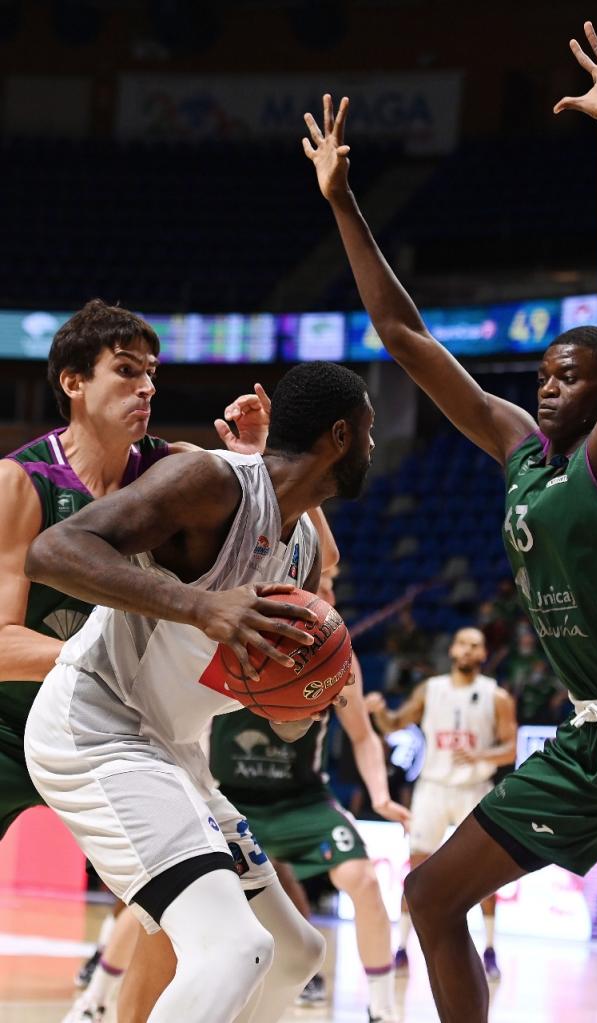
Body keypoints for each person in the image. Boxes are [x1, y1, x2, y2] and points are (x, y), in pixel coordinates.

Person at [302, 16, 597, 1022]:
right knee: (430, 896)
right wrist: (343, 204)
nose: (550, 386)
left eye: (572, 375)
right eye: (546, 373)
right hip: (585, 742)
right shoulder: (516, 445)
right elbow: (402, 334)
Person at [23, 360, 375, 1023]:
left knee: (296, 952)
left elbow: (281, 705)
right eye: (369, 430)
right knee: (231, 948)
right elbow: (55, 550)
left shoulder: (300, 551)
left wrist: (303, 704)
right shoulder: (211, 480)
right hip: (96, 726)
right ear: (339, 436)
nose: (374, 446)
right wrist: (196, 606)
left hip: (175, 751)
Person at [210, 618, 410, 1023]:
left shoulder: (337, 656)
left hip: (302, 799)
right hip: (231, 797)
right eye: (325, 579)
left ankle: (383, 1011)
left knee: (365, 881)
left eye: (334, 582)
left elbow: (362, 735)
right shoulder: (230, 631)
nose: (330, 586)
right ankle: (98, 993)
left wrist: (381, 797)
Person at [365, 627, 516, 982]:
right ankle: (401, 948)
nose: (468, 650)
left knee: (484, 874)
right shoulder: (431, 690)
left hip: (473, 787)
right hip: (432, 787)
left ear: (483, 654)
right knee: (417, 868)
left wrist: (481, 753)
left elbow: (510, 748)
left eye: (475, 645)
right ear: (452, 649)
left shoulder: (497, 696)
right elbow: (393, 725)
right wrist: (378, 712)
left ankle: (490, 950)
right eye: (462, 643)